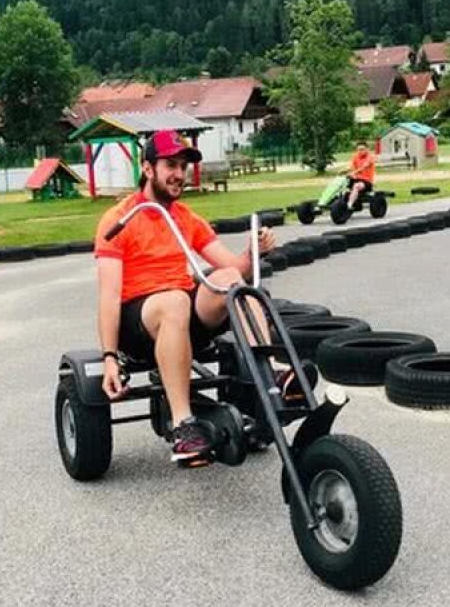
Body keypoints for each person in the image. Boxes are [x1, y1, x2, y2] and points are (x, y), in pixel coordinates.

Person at [95, 130, 306, 469]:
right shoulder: (119, 219)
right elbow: (108, 296)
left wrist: (253, 252)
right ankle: (183, 425)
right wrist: (109, 357)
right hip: (138, 324)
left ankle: (274, 374)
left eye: (183, 166)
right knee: (175, 301)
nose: (179, 174)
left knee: (231, 280)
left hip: (182, 313)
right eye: (170, 165)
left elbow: (233, 266)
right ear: (148, 168)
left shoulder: (185, 217)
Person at [344, 141, 380, 210]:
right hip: (356, 179)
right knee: (343, 184)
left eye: (362, 149)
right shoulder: (355, 156)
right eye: (358, 150)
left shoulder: (370, 157)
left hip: (367, 181)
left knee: (356, 186)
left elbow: (364, 166)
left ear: (367, 149)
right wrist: (344, 171)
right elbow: (351, 166)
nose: (360, 151)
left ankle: (349, 205)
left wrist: (354, 172)